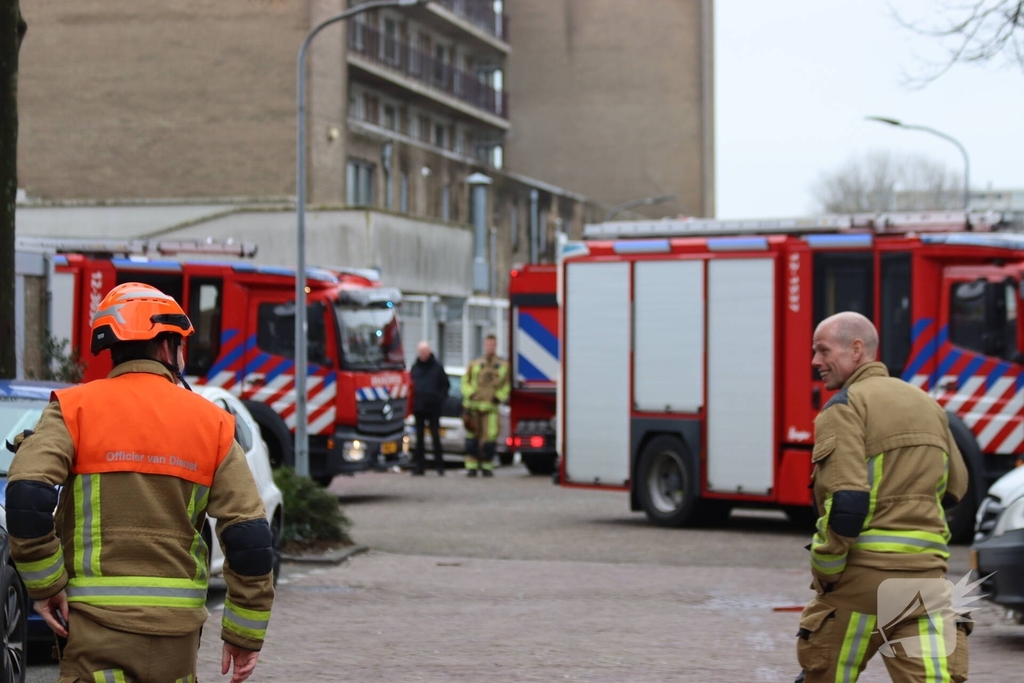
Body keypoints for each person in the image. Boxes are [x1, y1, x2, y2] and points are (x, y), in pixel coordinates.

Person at [5, 282, 274, 683]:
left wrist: (45, 585)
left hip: (94, 630)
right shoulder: (213, 425)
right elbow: (250, 537)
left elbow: (27, 495)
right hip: (176, 638)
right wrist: (244, 635)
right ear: (168, 347)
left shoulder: (74, 410)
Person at [795, 311, 969, 683]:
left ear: (856, 349)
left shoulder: (846, 406)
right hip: (926, 585)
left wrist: (825, 571)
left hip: (861, 583)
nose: (815, 362)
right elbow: (957, 487)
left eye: (823, 350)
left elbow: (847, 504)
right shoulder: (929, 406)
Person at [460, 334, 510, 477]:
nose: (490, 347)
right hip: (474, 407)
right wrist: (470, 394)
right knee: (472, 438)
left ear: (496, 345)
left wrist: (499, 397)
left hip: (490, 409)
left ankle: (487, 466)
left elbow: (506, 385)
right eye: (488, 344)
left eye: (492, 345)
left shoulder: (503, 365)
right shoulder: (475, 363)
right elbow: (465, 381)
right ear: (484, 345)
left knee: (490, 439)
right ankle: (471, 466)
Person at [410, 340, 450, 476]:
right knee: (419, 439)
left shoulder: (437, 367)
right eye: (421, 352)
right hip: (419, 408)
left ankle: (439, 466)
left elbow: (445, 385)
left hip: (433, 408)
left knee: (435, 437)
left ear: (429, 351)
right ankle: (419, 467)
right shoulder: (415, 367)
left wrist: (439, 399)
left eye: (425, 352)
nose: (423, 354)